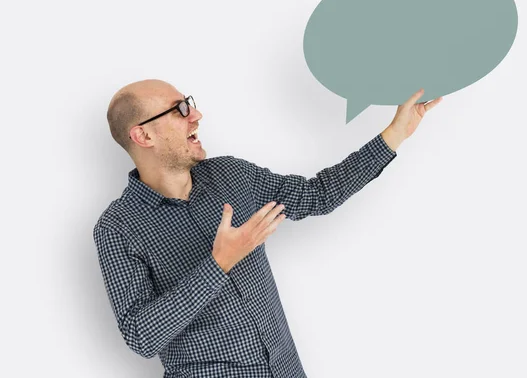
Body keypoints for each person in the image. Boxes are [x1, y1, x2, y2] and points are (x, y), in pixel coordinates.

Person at [93, 79, 442, 378]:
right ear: (142, 135)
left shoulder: (231, 175)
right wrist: (218, 265)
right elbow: (141, 336)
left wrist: (395, 135)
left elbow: (317, 195)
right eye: (179, 109)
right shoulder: (117, 227)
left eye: (191, 104)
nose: (195, 115)